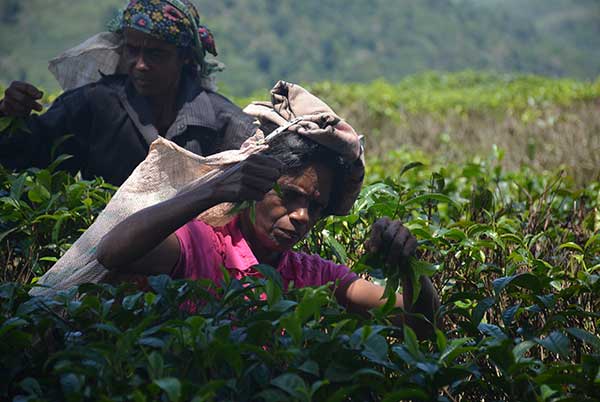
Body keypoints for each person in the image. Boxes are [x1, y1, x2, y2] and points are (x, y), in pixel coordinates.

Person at [96, 81, 439, 338]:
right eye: (289, 196)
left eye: (316, 206)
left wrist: (407, 264)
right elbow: (112, 252)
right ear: (256, 185)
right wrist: (212, 191)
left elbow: (418, 324)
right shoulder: (202, 245)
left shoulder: (312, 276)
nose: (302, 216)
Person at [0, 0, 255, 186]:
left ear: (185, 58)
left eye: (156, 54)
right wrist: (9, 117)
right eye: (132, 50)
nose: (140, 64)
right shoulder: (93, 104)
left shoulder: (224, 122)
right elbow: (28, 157)